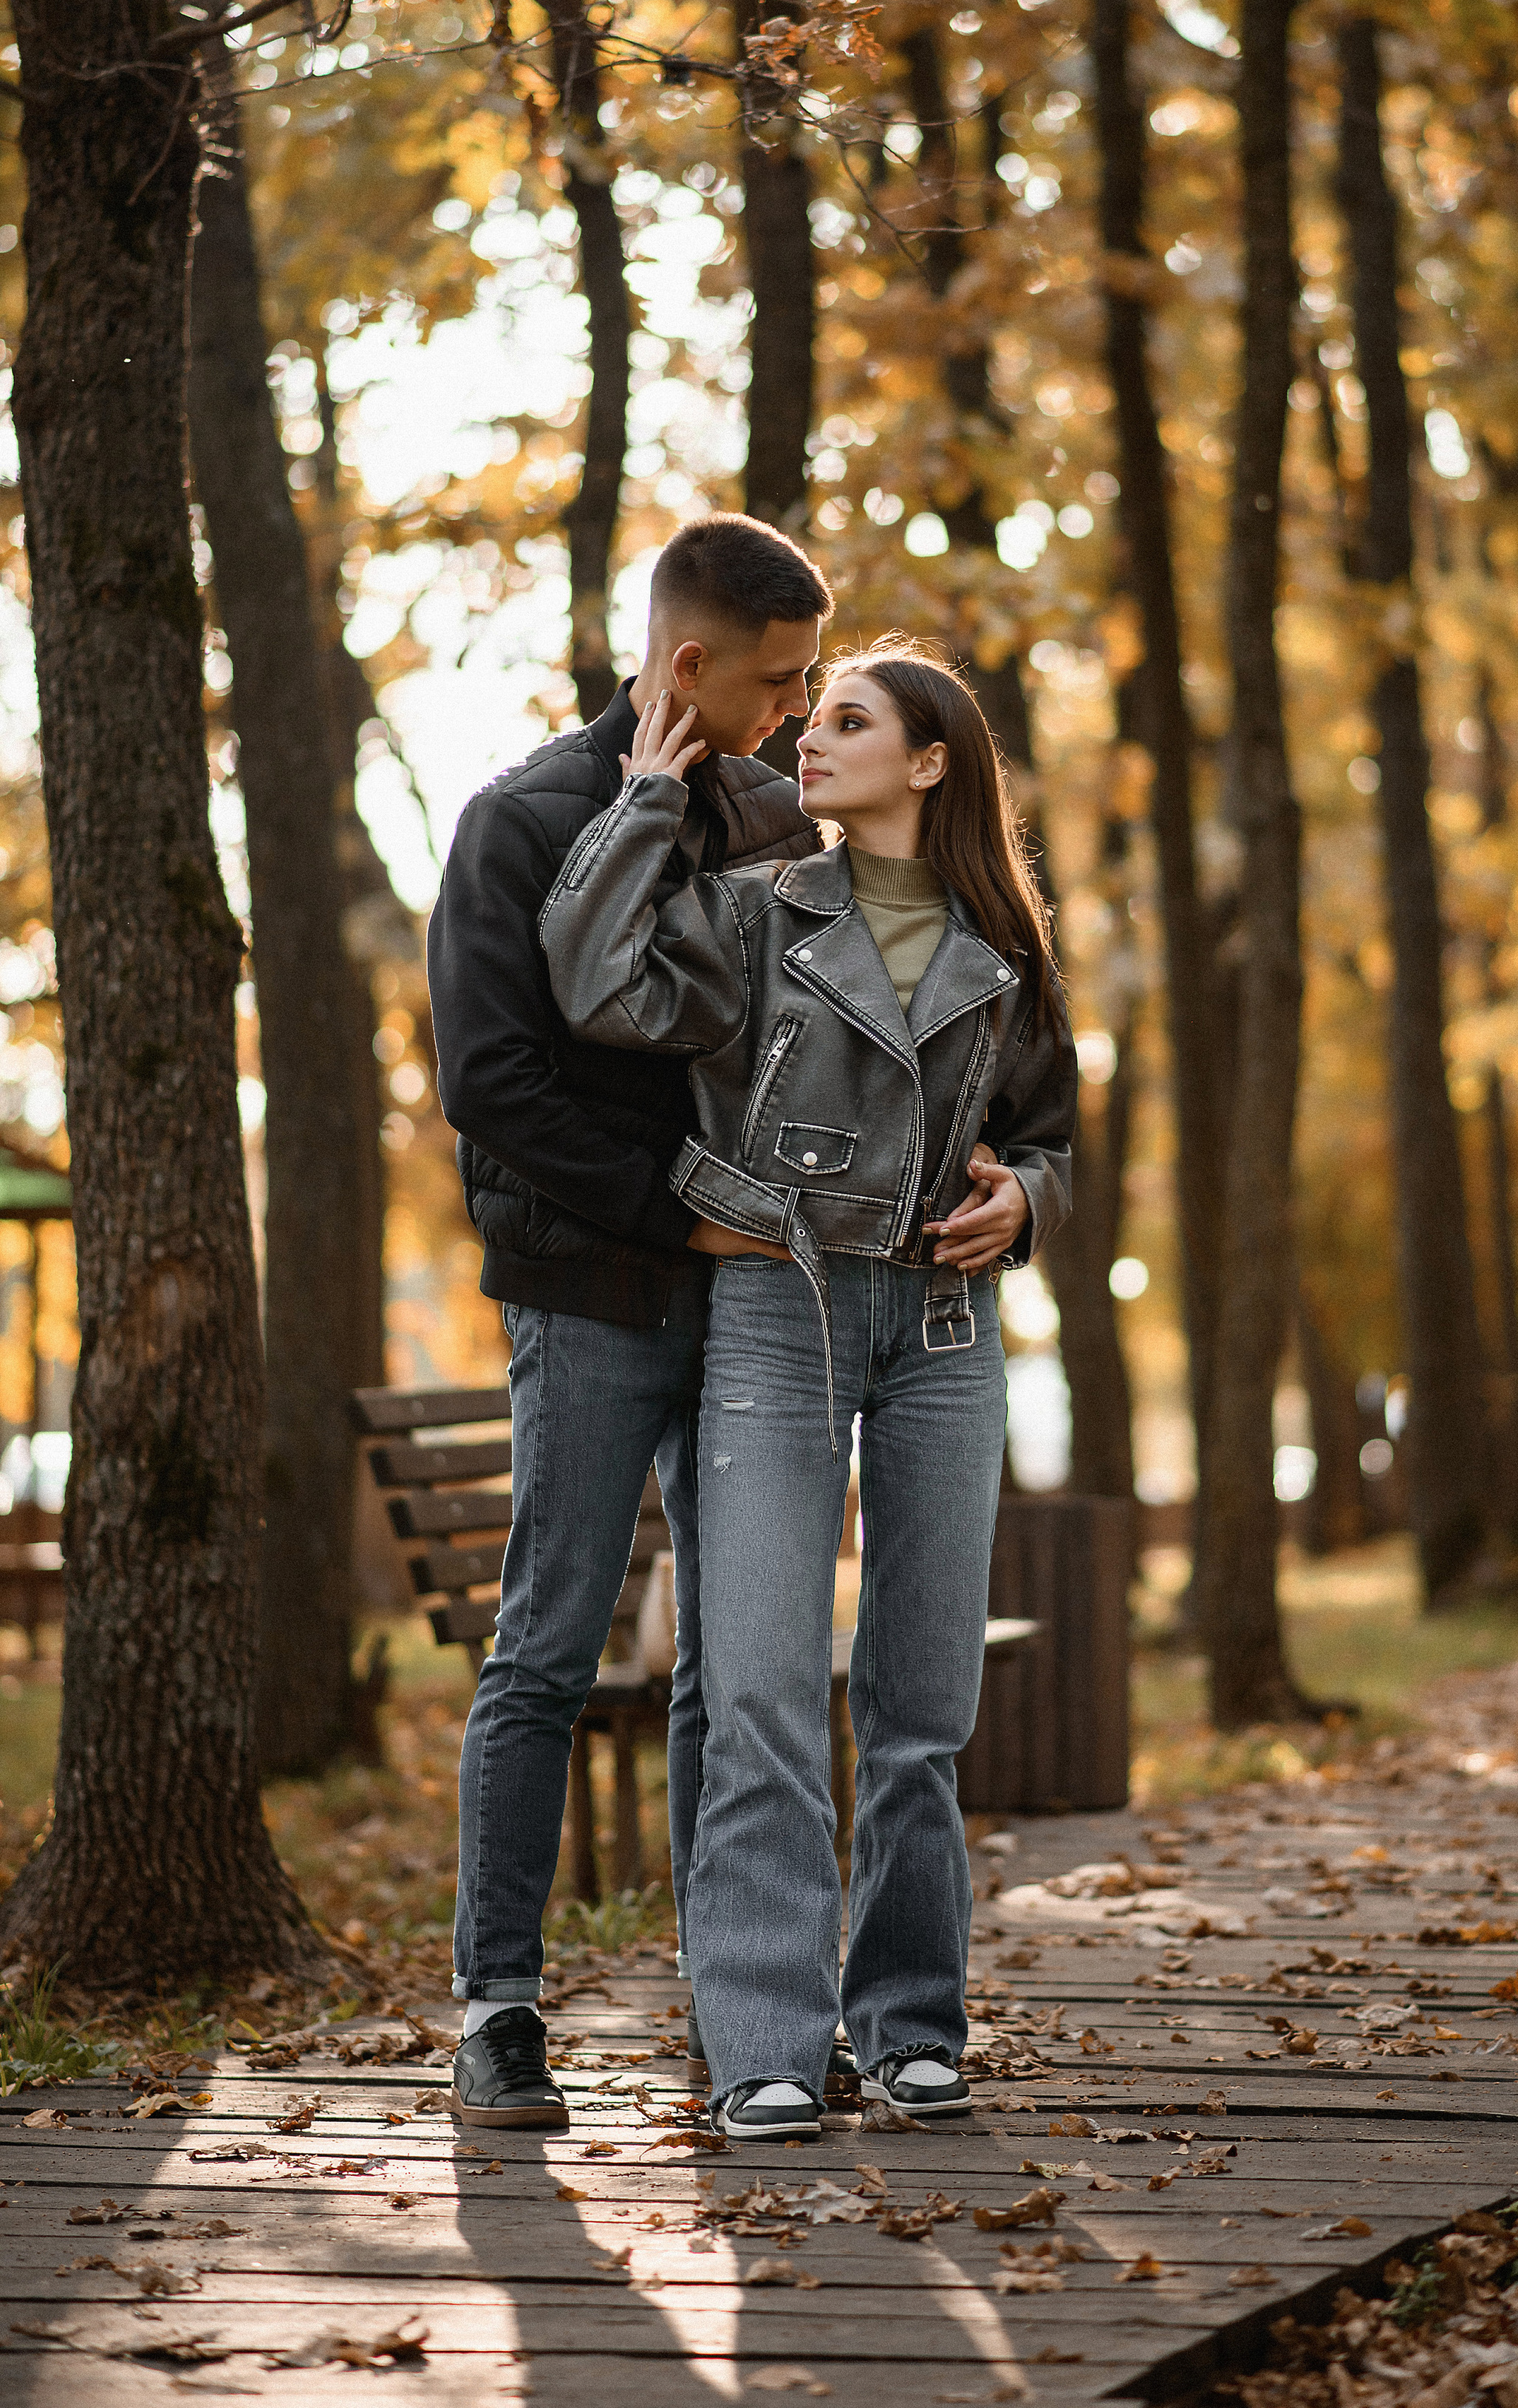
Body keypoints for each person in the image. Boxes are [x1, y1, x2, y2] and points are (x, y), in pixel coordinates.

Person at [541, 639, 1079, 2143]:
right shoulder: (750, 911)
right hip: (774, 1312)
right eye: (811, 715)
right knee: (764, 1695)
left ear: (929, 765)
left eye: (847, 722)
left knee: (919, 1709)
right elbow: (590, 978)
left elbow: (1051, 1138)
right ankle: (764, 2044)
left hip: (948, 1335)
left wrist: (1027, 1206)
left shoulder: (1011, 948)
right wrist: (646, 797)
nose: (809, 738)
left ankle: (911, 2026)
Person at [429, 514, 832, 2132]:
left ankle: (727, 1995)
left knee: (726, 1666)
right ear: (687, 665)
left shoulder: (777, 817)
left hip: (745, 1305)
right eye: (776, 680)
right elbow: (489, 1084)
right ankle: (497, 2010)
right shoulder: (520, 820)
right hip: (595, 1295)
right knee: (544, 1645)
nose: (796, 709)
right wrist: (678, 1210)